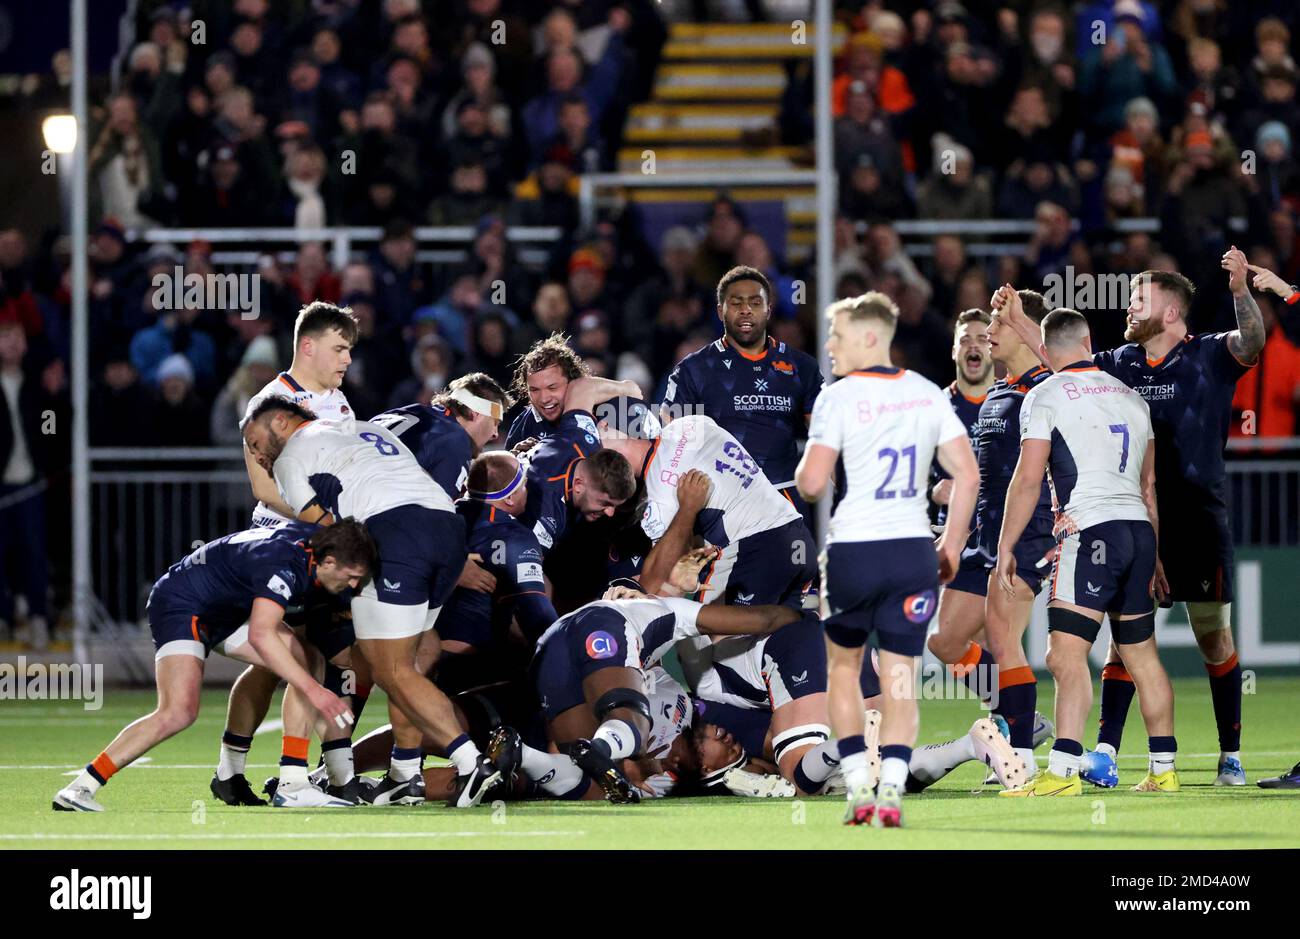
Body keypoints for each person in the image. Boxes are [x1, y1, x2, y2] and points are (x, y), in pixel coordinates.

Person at [999, 252, 1265, 786]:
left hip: (1195, 517)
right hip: (1139, 516)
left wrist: (1240, 292)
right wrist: (1019, 321)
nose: (1129, 304)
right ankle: (1108, 751)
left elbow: (1252, 342)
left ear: (1171, 312)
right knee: (1127, 640)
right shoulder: (1121, 365)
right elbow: (1062, 357)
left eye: (1140, 298)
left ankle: (1228, 755)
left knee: (1212, 637)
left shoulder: (1209, 353)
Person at [241, 398, 497, 808]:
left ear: (283, 422)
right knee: (411, 659)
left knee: (390, 667)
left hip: (395, 532)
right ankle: (405, 773)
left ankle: (470, 763)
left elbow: (329, 531)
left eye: (256, 442)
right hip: (447, 529)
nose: (256, 454)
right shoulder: (365, 428)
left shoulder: (291, 458)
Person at [795, 292, 979, 827]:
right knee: (901, 678)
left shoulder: (838, 397)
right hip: (912, 551)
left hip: (853, 552)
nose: (829, 346)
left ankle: (858, 788)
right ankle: (893, 788)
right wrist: (951, 544)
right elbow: (967, 475)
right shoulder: (925, 393)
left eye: (839, 335)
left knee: (845, 672)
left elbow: (810, 485)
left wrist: (814, 454)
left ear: (870, 338)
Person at [53, 521, 376, 812]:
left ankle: (289, 782)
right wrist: (315, 692)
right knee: (178, 712)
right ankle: (81, 786)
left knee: (308, 660)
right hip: (183, 605)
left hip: (224, 608)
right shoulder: (284, 564)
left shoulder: (317, 546)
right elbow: (262, 635)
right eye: (351, 578)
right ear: (329, 562)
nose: (352, 586)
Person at [996, 305, 1178, 797]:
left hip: (1091, 531)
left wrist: (1007, 544)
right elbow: (1148, 486)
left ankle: (1061, 773)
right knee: (1142, 656)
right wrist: (1155, 554)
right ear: (1087, 339)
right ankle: (1164, 770)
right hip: (1138, 531)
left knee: (1064, 655)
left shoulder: (1045, 394)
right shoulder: (1130, 397)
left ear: (1046, 349)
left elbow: (1029, 476)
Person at [210, 302, 361, 806]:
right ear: (308, 346)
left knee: (294, 663)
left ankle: (233, 770)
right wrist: (326, 519)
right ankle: (296, 777)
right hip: (282, 545)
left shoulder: (340, 403)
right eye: (340, 349)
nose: (346, 360)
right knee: (302, 659)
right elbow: (263, 487)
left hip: (323, 550)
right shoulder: (271, 401)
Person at [486, 585, 801, 803]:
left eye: (729, 754)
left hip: (551, 652)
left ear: (704, 772)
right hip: (603, 624)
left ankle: (522, 754)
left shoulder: (661, 778)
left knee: (586, 776)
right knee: (630, 717)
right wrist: (807, 623)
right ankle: (601, 748)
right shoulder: (675, 617)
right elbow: (765, 619)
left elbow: (565, 744)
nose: (730, 738)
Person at [598, 404, 815, 609]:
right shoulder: (689, 424)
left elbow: (653, 585)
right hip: (798, 536)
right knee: (783, 638)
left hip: (758, 550)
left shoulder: (660, 498)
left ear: (606, 426)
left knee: (700, 639)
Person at [660, 265, 824, 517]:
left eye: (755, 302)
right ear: (720, 311)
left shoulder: (802, 367)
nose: (746, 309)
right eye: (736, 303)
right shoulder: (693, 369)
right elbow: (674, 441)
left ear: (768, 310)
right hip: (720, 504)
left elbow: (826, 434)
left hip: (786, 503)